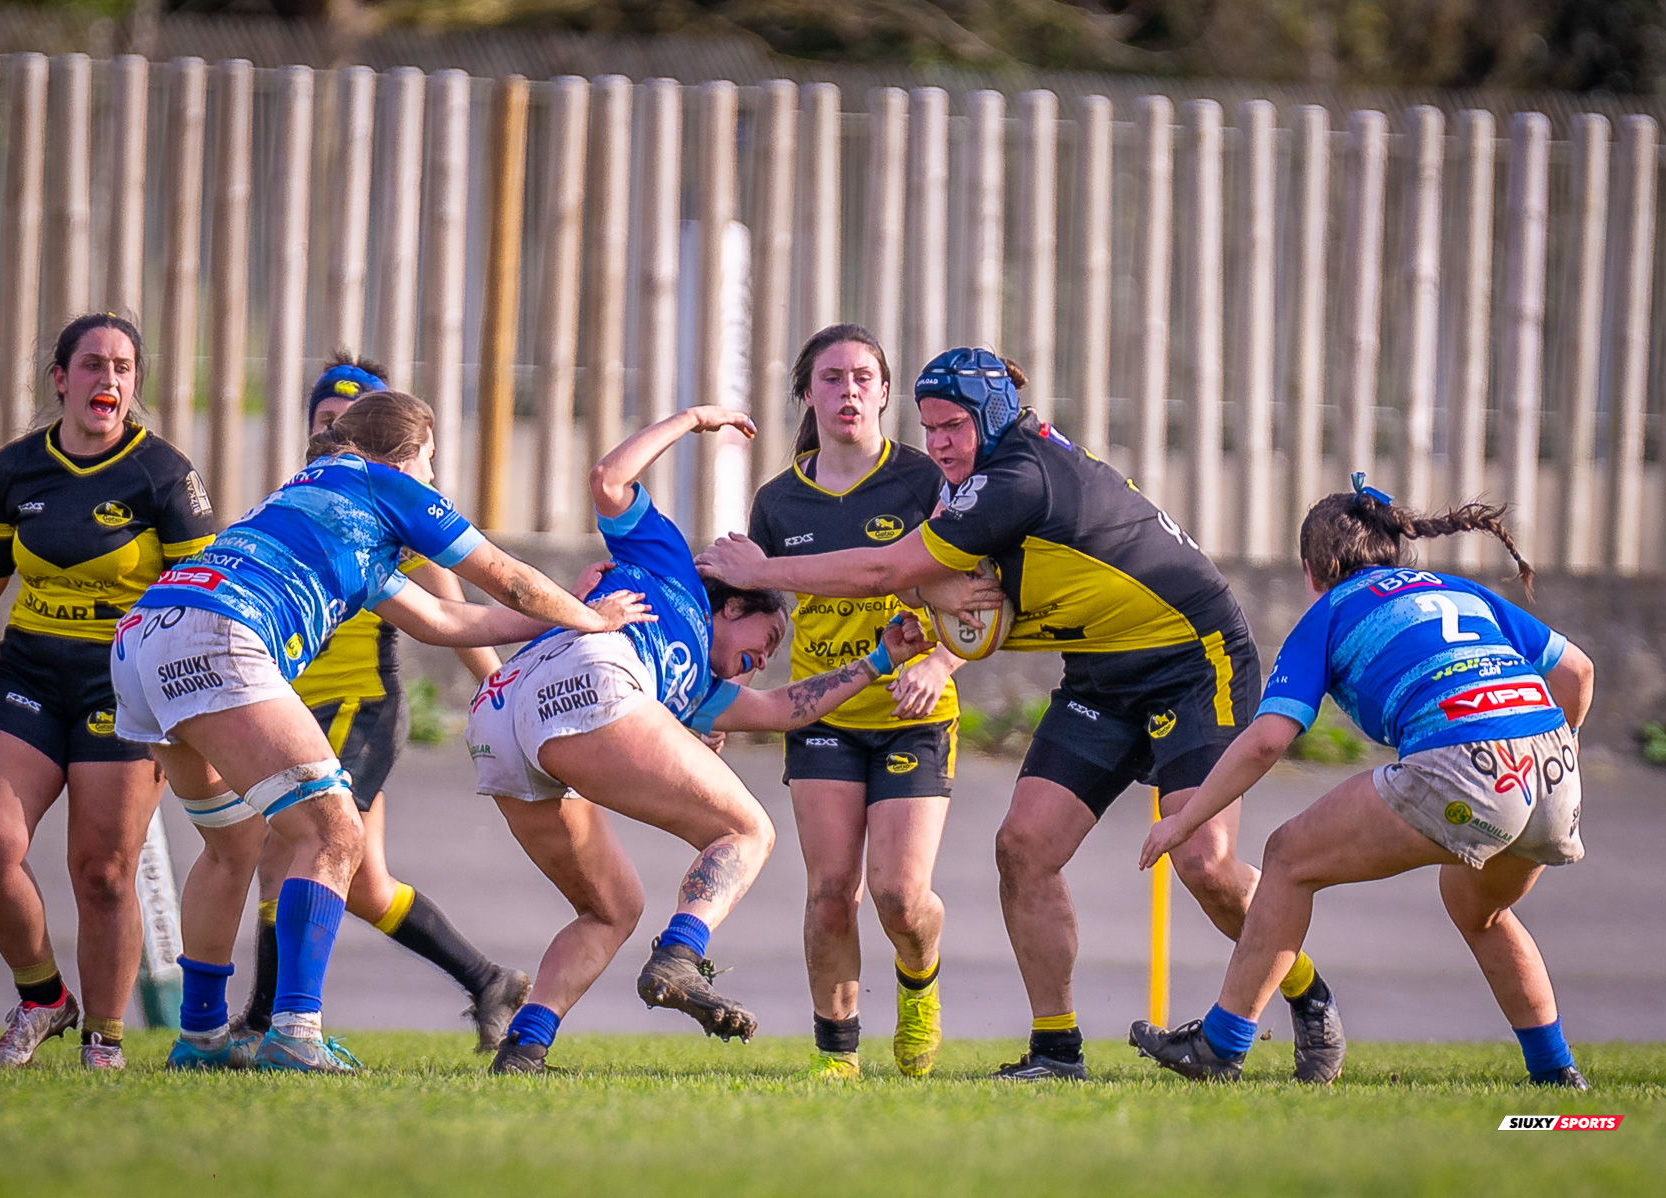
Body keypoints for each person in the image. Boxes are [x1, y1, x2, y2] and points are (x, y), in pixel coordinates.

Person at [698, 347, 1346, 1083]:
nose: (938, 442)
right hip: (1101, 675)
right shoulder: (969, 481)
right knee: (1024, 849)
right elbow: (948, 590)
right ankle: (1057, 1051)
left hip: (1191, 662)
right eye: (931, 428)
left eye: (953, 427)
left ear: (994, 417)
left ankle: (1307, 993)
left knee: (1205, 863)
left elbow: (888, 571)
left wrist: (763, 572)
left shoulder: (1016, 477)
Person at [110, 390, 651, 1073]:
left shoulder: (326, 505)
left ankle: (200, 1039)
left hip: (144, 640)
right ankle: (294, 1032)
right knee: (335, 832)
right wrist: (592, 618)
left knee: (229, 847)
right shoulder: (382, 481)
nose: (431, 478)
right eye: (428, 461)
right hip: (220, 633)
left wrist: (566, 616)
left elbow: (445, 622)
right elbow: (506, 578)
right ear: (403, 453)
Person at [468, 406, 935, 1075]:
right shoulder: (671, 568)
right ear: (735, 604)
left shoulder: (695, 690)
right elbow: (608, 480)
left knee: (610, 908)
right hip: (589, 678)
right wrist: (692, 420)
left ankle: (525, 1048)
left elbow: (781, 711)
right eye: (766, 640)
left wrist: (881, 663)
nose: (764, 660)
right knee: (749, 832)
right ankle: (680, 957)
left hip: (501, 720)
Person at [1129, 480, 1594, 1088]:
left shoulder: (1333, 610)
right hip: (1554, 771)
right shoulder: (1461, 589)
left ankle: (1221, 1045)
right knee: (1478, 908)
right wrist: (1555, 750)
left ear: (1313, 569)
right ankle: (1556, 1074)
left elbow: (1270, 738)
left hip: (1466, 761)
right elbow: (1577, 671)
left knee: (1287, 858)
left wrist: (1183, 821)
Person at [0, 313, 217, 1070]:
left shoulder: (164, 476)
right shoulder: (17, 469)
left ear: (134, 384)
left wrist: (202, 710)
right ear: (61, 379)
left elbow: (213, 599)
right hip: (28, 676)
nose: (106, 380)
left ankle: (103, 1043)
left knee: (105, 873)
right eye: (91, 365)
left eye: (121, 367)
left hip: (127, 686)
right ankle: (45, 997)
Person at [233, 357, 530, 1052]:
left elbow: (454, 616)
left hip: (357, 703)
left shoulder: (403, 509)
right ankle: (488, 980)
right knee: (364, 883)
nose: (337, 431)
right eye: (325, 421)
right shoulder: (300, 496)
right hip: (287, 702)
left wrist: (502, 697)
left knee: (290, 845)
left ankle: (261, 1024)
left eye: (352, 420)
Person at [747, 325, 964, 1079]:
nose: (848, 391)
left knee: (900, 896)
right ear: (807, 392)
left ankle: (919, 984)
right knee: (832, 891)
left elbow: (983, 593)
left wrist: (940, 659)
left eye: (864, 377)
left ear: (883, 391)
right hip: (822, 716)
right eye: (832, 377)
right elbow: (759, 619)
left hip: (914, 713)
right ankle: (837, 1054)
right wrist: (720, 702)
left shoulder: (924, 483)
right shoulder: (777, 502)